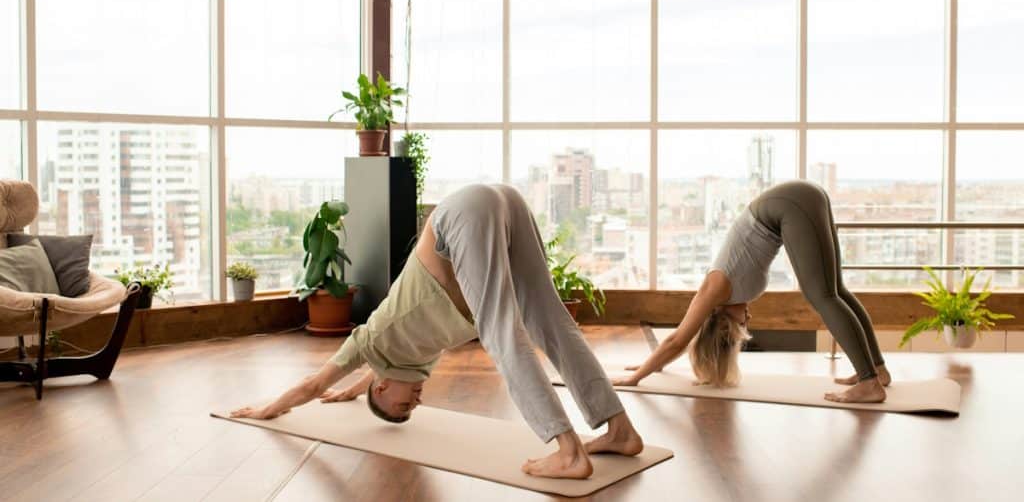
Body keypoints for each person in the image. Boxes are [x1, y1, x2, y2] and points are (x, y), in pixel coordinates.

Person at [231, 184, 643, 479]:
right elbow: (378, 378)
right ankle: (621, 430)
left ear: (381, 388)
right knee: (550, 319)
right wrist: (351, 390)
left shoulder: (372, 342)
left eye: (401, 407)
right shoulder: (412, 358)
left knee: (502, 333)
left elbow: (315, 382)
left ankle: (569, 452)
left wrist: (268, 409)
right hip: (504, 201)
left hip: (460, 217)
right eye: (411, 410)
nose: (414, 403)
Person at [613, 180, 890, 403]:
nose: (748, 318)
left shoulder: (715, 288)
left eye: (741, 324)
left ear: (722, 320)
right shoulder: (733, 295)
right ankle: (876, 369)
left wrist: (638, 375)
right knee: (834, 291)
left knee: (823, 296)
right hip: (799, 199)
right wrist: (658, 366)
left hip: (789, 204)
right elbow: (681, 345)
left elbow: (677, 339)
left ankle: (869, 382)